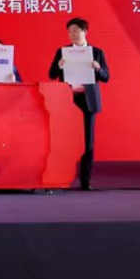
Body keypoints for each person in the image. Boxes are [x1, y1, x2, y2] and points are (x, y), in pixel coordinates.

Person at [48, 17, 111, 191]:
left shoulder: (97, 52)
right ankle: (60, 178)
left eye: (76, 30)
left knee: (87, 143)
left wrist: (98, 68)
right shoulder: (62, 51)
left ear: (85, 32)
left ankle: (85, 181)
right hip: (68, 101)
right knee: (63, 141)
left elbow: (106, 77)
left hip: (88, 100)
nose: (72, 34)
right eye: (69, 31)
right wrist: (59, 65)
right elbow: (51, 74)